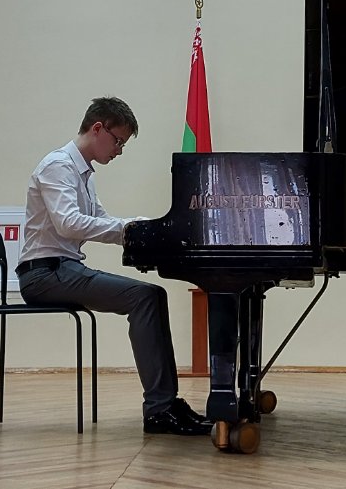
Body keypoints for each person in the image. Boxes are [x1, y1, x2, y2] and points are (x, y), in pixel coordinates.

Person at [16, 96, 212, 436]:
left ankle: (166, 403)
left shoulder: (84, 174)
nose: (119, 151)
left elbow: (101, 221)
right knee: (145, 297)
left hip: (62, 270)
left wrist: (145, 229)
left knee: (151, 295)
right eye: (118, 141)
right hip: (43, 275)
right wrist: (130, 230)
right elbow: (68, 224)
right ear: (98, 128)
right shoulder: (57, 166)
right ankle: (160, 409)